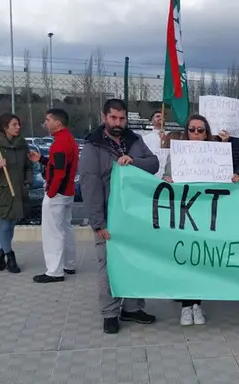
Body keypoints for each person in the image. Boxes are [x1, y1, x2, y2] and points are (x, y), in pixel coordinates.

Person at [81, 99, 160, 334]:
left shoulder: (135, 141)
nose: (118, 123)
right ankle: (110, 313)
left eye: (122, 118)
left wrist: (134, 162)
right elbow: (90, 185)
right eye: (113, 118)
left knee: (136, 262)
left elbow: (154, 164)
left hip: (136, 217)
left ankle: (133, 308)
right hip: (110, 217)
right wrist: (98, 223)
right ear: (104, 117)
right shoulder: (93, 146)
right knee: (109, 266)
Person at [162, 114, 239, 325]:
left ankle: (197, 304)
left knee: (200, 260)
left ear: (206, 133)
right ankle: (186, 307)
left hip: (207, 215)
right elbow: (166, 177)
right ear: (187, 132)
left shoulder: (217, 153)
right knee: (185, 260)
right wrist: (167, 179)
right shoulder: (176, 154)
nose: (196, 133)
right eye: (192, 129)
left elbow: (226, 180)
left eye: (200, 130)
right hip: (184, 214)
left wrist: (233, 178)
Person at [0, 113, 33, 274]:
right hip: (1, 192)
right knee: (3, 225)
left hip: (18, 191)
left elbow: (28, 167)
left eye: (18, 124)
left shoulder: (22, 145)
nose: (18, 127)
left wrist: (28, 182)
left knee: (11, 225)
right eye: (14, 124)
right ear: (5, 127)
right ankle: (10, 257)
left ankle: (1, 254)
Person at [31, 108, 80, 284]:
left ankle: (54, 271)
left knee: (53, 232)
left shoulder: (60, 143)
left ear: (57, 123)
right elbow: (59, 165)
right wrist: (42, 160)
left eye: (48, 120)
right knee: (66, 228)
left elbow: (59, 172)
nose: (46, 123)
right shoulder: (68, 139)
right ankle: (69, 264)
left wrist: (51, 192)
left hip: (58, 193)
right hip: (67, 191)